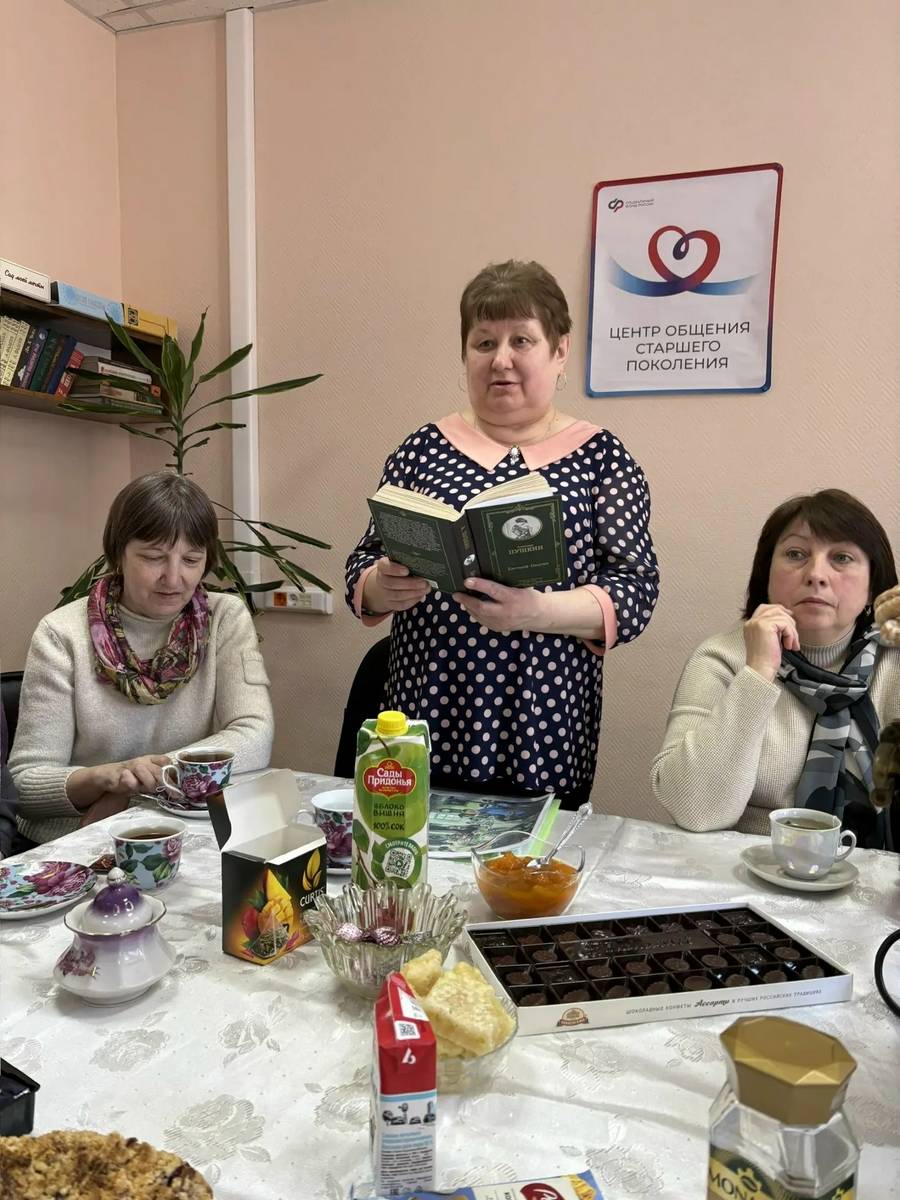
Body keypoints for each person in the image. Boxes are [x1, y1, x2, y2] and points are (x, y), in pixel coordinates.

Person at [345, 260, 659, 810]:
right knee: (417, 855)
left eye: (522, 340)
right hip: (425, 716)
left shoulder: (601, 457)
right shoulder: (423, 449)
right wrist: (378, 585)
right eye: (484, 342)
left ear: (560, 351)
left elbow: (635, 589)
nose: (501, 359)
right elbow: (364, 560)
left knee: (530, 864)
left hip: (545, 728)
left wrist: (539, 611)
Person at [10, 472, 274, 845]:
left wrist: (136, 787)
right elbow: (25, 784)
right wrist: (107, 778)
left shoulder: (224, 618)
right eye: (153, 558)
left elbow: (255, 734)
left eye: (191, 560)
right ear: (118, 554)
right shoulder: (61, 634)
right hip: (82, 836)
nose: (174, 578)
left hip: (185, 830)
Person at [652, 489, 899, 848]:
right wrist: (757, 673)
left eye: (841, 558)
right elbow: (696, 811)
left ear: (874, 583)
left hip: (873, 874)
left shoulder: (894, 661)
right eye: (796, 554)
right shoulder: (722, 657)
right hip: (747, 867)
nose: (816, 574)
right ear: (765, 573)